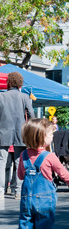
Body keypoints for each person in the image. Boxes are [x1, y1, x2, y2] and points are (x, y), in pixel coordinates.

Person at [0, 72, 35, 200]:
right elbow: (31, 114)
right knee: (19, 162)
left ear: (8, 82)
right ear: (20, 83)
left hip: (3, 132)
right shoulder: (25, 97)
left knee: (1, 162)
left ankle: (1, 191)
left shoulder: (1, 96)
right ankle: (17, 191)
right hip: (20, 133)